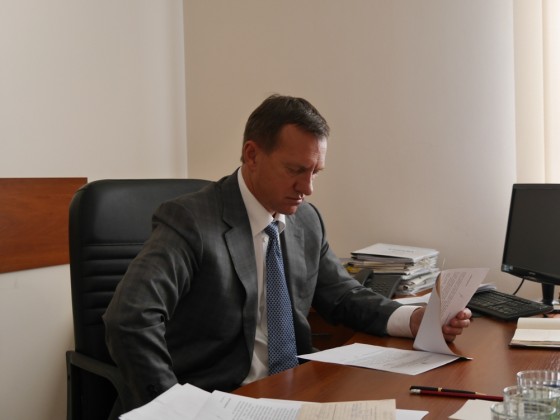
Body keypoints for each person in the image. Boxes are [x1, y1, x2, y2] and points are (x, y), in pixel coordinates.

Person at [103, 94, 472, 412]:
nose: (307, 188)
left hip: (292, 393)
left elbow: (342, 295)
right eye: (296, 170)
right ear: (252, 155)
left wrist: (413, 320)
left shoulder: (305, 220)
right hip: (216, 401)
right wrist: (171, 408)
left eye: (315, 171)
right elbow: (130, 318)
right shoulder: (191, 221)